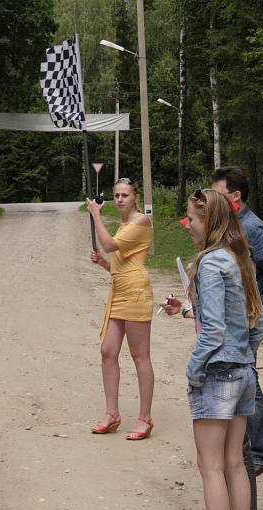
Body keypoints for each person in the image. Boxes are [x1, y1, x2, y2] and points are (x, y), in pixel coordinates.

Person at [163, 189, 263, 510]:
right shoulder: (239, 258)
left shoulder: (209, 263)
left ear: (208, 222)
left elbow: (214, 331)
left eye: (190, 219)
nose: (187, 225)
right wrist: (245, 357)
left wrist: (193, 371)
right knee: (234, 462)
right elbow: (257, 322)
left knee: (210, 466)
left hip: (217, 375)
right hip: (242, 374)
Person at [211, 166, 263, 475]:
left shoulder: (252, 227)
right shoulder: (232, 224)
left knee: (247, 381)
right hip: (237, 318)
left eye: (219, 194)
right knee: (241, 378)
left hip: (248, 320)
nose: (213, 199)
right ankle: (242, 442)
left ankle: (260, 453)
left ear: (236, 196)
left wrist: (261, 309)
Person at [85, 177, 155, 440]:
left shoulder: (140, 221)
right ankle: (112, 413)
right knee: (107, 350)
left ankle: (145, 418)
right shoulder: (125, 223)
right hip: (119, 291)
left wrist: (95, 215)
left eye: (125, 195)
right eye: (116, 195)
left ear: (135, 196)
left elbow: (111, 244)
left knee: (139, 356)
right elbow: (119, 259)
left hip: (136, 292)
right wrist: (104, 264)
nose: (120, 200)